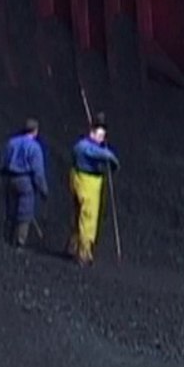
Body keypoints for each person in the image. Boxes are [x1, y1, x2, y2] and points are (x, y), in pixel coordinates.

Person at [67, 112, 120, 266]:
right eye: (99, 135)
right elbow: (98, 153)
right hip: (87, 183)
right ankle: (84, 253)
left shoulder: (82, 145)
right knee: (88, 217)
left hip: (80, 181)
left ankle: (73, 246)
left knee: (78, 215)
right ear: (92, 133)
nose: (101, 138)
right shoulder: (85, 147)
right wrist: (110, 158)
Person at [0, 118, 48, 248]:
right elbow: (38, 171)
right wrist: (43, 190)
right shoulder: (35, 147)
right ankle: (20, 242)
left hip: (10, 179)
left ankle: (7, 239)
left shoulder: (12, 143)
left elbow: (3, 161)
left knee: (11, 210)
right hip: (26, 181)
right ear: (35, 131)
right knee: (25, 213)